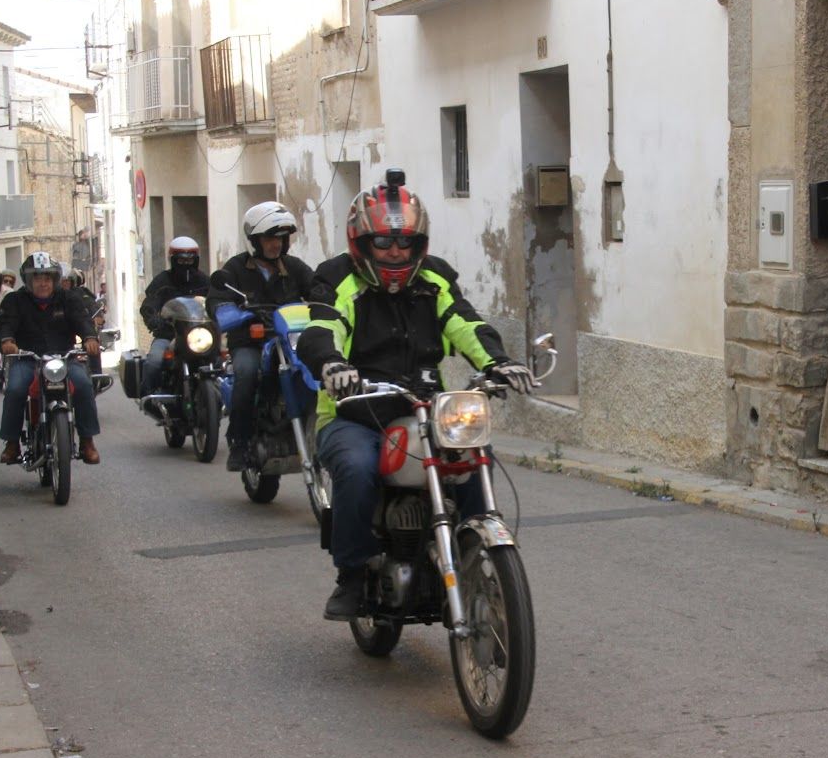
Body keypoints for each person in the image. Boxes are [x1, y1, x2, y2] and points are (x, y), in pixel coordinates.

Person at [298, 171, 537, 620]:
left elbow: (464, 322)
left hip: (427, 410)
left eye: (404, 243)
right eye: (383, 243)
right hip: (354, 414)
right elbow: (321, 327)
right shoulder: (337, 280)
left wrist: (497, 361)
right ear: (362, 243)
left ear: (418, 243)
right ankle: (351, 573)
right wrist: (332, 365)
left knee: (470, 456)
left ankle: (479, 558)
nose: (394, 252)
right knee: (356, 468)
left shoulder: (435, 279)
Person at [206, 202, 313, 472]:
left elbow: (318, 288)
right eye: (269, 238)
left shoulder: (294, 267)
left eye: (280, 238)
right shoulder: (237, 269)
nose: (276, 244)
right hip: (251, 342)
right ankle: (239, 441)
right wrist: (226, 310)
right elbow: (217, 297)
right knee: (247, 373)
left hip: (289, 340)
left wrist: (326, 300)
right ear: (254, 240)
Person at [0, 251, 102, 465]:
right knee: (15, 389)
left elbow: (82, 319)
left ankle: (87, 441)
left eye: (47, 278)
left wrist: (90, 338)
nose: (42, 283)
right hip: (28, 358)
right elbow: (5, 324)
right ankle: (12, 443)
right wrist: (7, 341)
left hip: (64, 358)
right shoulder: (15, 300)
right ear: (28, 280)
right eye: (37, 278)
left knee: (82, 384)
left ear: (54, 280)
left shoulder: (68, 298)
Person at [139, 236, 210, 396]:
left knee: (221, 360)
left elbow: (214, 301)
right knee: (154, 362)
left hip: (198, 335)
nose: (186, 264)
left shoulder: (204, 281)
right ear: (173, 260)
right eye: (181, 260)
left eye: (190, 260)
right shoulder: (163, 281)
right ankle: (150, 396)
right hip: (169, 334)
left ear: (196, 260)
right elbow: (149, 303)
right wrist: (153, 318)